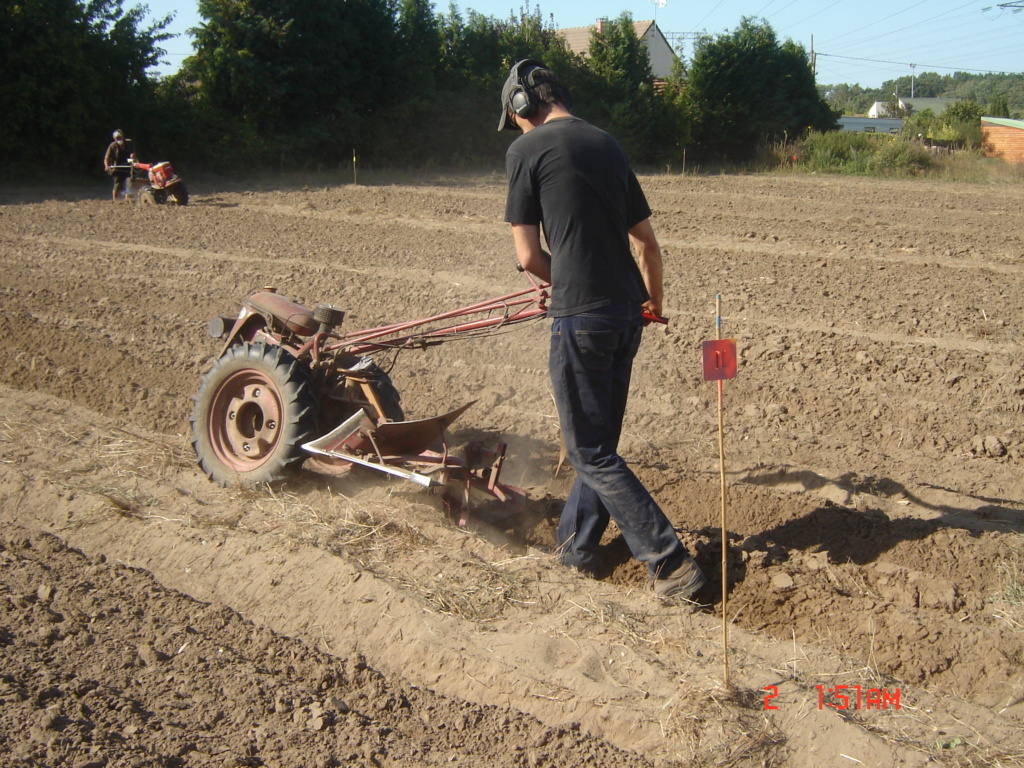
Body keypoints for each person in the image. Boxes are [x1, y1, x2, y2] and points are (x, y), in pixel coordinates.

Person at [499, 59, 707, 601]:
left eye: (514, 119)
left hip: (582, 319)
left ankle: (670, 561)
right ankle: (576, 548)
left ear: (523, 107)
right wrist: (653, 303)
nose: (516, 129)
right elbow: (648, 244)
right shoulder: (607, 144)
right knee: (600, 441)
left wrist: (561, 280)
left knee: (588, 451)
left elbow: (526, 255)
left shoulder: (525, 151)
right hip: (626, 315)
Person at [103, 129, 136, 203]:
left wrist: (132, 156)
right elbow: (107, 158)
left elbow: (133, 153)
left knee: (129, 182)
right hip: (117, 167)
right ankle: (115, 200)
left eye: (120, 137)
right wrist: (106, 166)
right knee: (117, 184)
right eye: (117, 138)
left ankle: (127, 199)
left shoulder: (129, 143)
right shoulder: (113, 146)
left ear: (123, 137)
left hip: (128, 166)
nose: (118, 139)